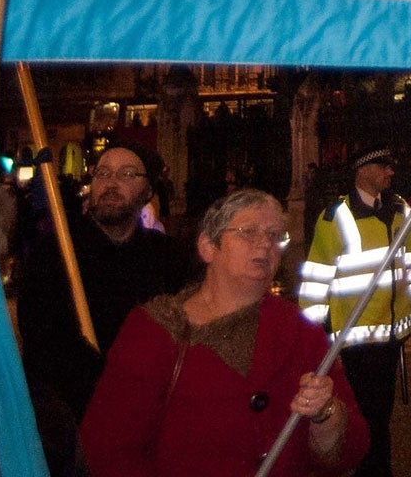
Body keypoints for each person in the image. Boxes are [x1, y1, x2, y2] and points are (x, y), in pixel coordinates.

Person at [80, 187, 368, 477]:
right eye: (248, 231)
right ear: (207, 246)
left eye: (274, 235)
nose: (265, 244)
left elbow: (348, 453)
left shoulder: (302, 333)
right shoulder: (156, 330)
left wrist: (325, 413)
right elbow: (108, 450)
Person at [17, 137, 188, 421]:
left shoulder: (166, 256)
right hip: (71, 415)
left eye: (127, 174)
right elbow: (41, 340)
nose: (111, 183)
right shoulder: (57, 251)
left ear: (148, 191)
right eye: (103, 173)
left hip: (146, 410)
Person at [298, 148, 411, 477]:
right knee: (366, 416)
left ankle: (375, 468)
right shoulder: (335, 218)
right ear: (363, 170)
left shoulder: (399, 209)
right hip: (355, 340)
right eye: (382, 165)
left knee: (380, 416)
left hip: (391, 334)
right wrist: (311, 333)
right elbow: (317, 278)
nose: (390, 172)